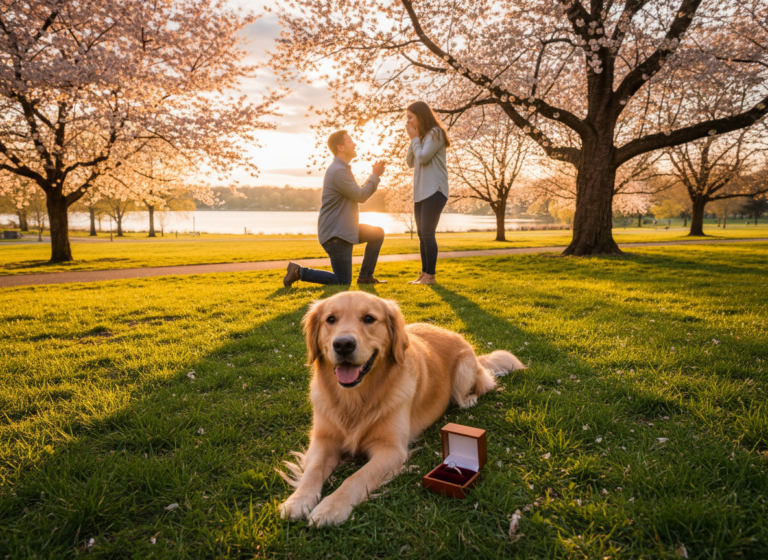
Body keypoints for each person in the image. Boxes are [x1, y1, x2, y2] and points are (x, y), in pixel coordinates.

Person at [283, 130, 387, 287]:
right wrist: (375, 175)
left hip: (345, 229)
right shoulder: (338, 171)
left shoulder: (342, 169)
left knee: (377, 233)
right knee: (343, 280)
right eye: (350, 141)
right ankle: (299, 272)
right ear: (341, 147)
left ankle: (365, 276)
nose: (355, 144)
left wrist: (374, 176)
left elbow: (358, 193)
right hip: (336, 234)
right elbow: (361, 196)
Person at [405, 101, 451, 285]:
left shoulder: (435, 133)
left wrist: (415, 139)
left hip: (435, 190)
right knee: (421, 235)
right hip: (421, 192)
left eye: (410, 117)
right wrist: (413, 138)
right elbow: (410, 162)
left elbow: (422, 159)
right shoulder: (421, 137)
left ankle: (430, 276)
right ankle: (424, 274)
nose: (407, 122)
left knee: (427, 233)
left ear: (420, 116)